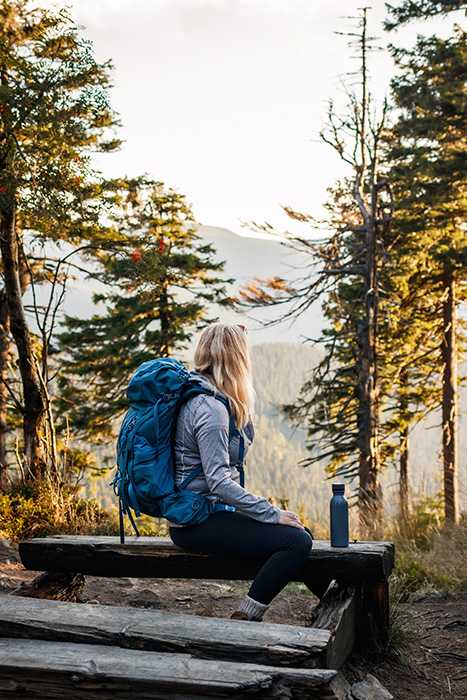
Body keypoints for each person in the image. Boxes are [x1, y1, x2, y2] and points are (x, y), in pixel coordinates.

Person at [168, 322, 313, 621]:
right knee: (296, 541)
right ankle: (247, 616)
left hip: (204, 515)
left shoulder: (205, 395)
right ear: (237, 359)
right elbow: (218, 481)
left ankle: (335, 604)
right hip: (196, 522)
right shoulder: (210, 409)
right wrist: (270, 513)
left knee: (300, 534)